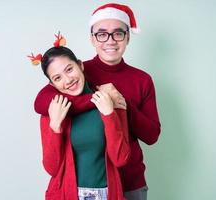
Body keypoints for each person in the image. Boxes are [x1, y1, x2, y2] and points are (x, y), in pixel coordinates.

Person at [34, 3, 161, 200]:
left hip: (130, 181)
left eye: (118, 33)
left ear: (127, 37)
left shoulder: (142, 80)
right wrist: (96, 100)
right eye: (101, 34)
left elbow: (152, 135)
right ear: (92, 39)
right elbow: (42, 103)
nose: (110, 40)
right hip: (79, 185)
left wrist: (120, 104)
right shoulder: (76, 72)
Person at [33, 40, 130, 200]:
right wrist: (55, 127)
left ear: (80, 65)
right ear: (52, 84)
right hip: (66, 194)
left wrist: (109, 115)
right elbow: (52, 168)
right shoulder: (53, 111)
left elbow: (120, 159)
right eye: (58, 78)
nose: (68, 80)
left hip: (108, 194)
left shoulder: (110, 100)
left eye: (69, 69)